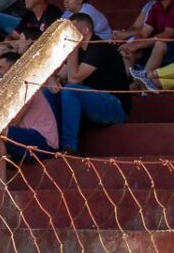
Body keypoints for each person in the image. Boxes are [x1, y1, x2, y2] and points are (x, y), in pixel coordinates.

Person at [55, 13, 132, 152]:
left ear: (85, 31)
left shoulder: (99, 47)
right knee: (50, 92)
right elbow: (61, 75)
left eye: (72, 29)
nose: (68, 33)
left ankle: (68, 146)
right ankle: (49, 144)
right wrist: (56, 81)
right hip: (95, 101)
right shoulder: (80, 50)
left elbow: (74, 79)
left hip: (115, 105)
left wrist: (72, 48)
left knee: (70, 90)